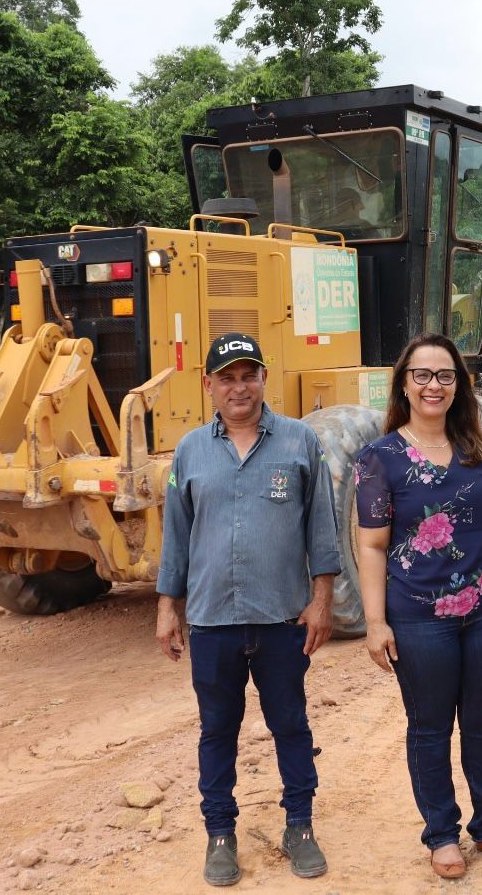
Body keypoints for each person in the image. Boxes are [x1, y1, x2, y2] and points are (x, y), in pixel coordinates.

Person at [156, 333, 341, 887]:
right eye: (227, 377)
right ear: (208, 385)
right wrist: (169, 608)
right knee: (217, 731)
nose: (239, 387)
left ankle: (300, 827)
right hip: (212, 621)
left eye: (248, 374)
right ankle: (220, 835)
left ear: (264, 378)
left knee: (291, 724)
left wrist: (322, 599)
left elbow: (323, 528)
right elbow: (176, 536)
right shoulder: (190, 450)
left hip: (283, 618)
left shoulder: (299, 442)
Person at [354, 333, 482, 880]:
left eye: (445, 376)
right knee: (429, 726)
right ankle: (440, 832)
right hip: (417, 616)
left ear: (459, 386)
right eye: (423, 375)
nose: (434, 385)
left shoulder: (481, 451)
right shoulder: (378, 459)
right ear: (404, 385)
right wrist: (375, 622)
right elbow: (372, 544)